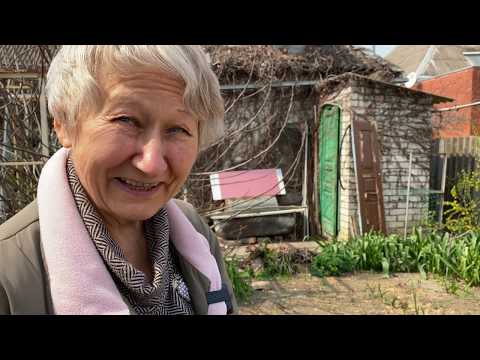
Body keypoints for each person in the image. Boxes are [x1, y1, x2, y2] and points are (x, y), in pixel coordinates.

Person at [0, 45, 237, 315]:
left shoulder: (194, 231)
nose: (151, 164)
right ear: (64, 124)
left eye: (178, 129)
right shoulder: (9, 277)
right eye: (126, 120)